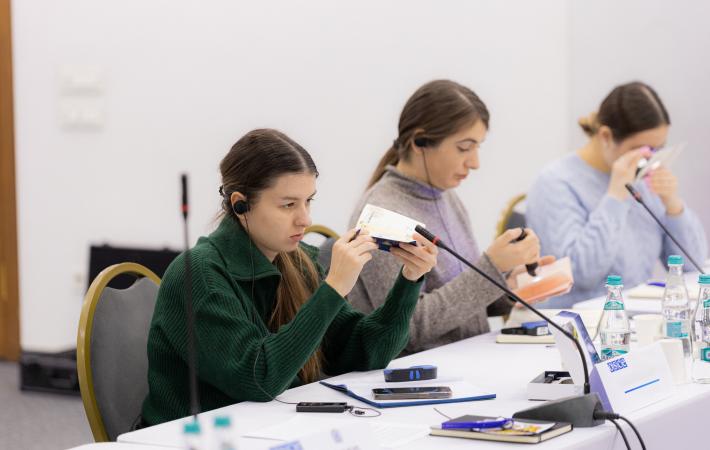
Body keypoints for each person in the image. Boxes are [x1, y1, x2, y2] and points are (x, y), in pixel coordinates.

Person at [141, 129, 438, 425]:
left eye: (308, 201)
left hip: (266, 430)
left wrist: (409, 281)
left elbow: (366, 352)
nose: (305, 219)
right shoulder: (199, 275)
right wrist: (333, 288)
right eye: (288, 205)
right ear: (240, 205)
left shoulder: (299, 260)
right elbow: (259, 380)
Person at [348, 80, 548, 354]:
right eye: (464, 148)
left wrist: (508, 286)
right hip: (419, 376)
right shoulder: (384, 216)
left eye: (478, 147)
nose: (475, 162)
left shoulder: (445, 196)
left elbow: (458, 301)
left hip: (466, 361)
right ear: (420, 142)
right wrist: (490, 269)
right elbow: (408, 327)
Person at [527, 81, 708, 308]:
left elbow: (694, 267)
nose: (649, 159)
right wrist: (615, 196)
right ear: (605, 136)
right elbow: (580, 274)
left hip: (634, 322)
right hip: (579, 326)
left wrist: (672, 204)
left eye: (658, 149)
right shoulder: (555, 183)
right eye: (642, 150)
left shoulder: (641, 180)